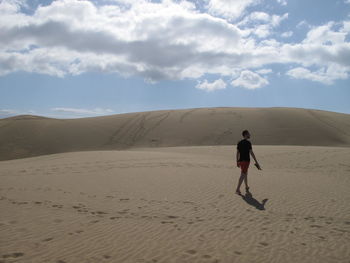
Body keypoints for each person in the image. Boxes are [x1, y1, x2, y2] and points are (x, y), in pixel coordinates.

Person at [235, 130, 261, 195]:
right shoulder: (248, 143)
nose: (249, 135)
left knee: (245, 173)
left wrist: (237, 161)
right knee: (243, 174)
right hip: (246, 161)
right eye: (248, 134)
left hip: (241, 161)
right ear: (245, 135)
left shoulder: (239, 142)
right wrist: (256, 161)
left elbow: (237, 153)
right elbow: (251, 153)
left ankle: (246, 186)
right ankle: (237, 189)